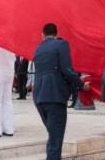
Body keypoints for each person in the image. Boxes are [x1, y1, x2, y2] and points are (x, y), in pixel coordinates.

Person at [33, 23, 90, 160]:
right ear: (56, 34)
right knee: (56, 140)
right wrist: (82, 85)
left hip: (39, 97)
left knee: (53, 137)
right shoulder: (61, 45)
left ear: (43, 35)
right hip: (54, 96)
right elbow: (67, 70)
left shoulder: (38, 49)